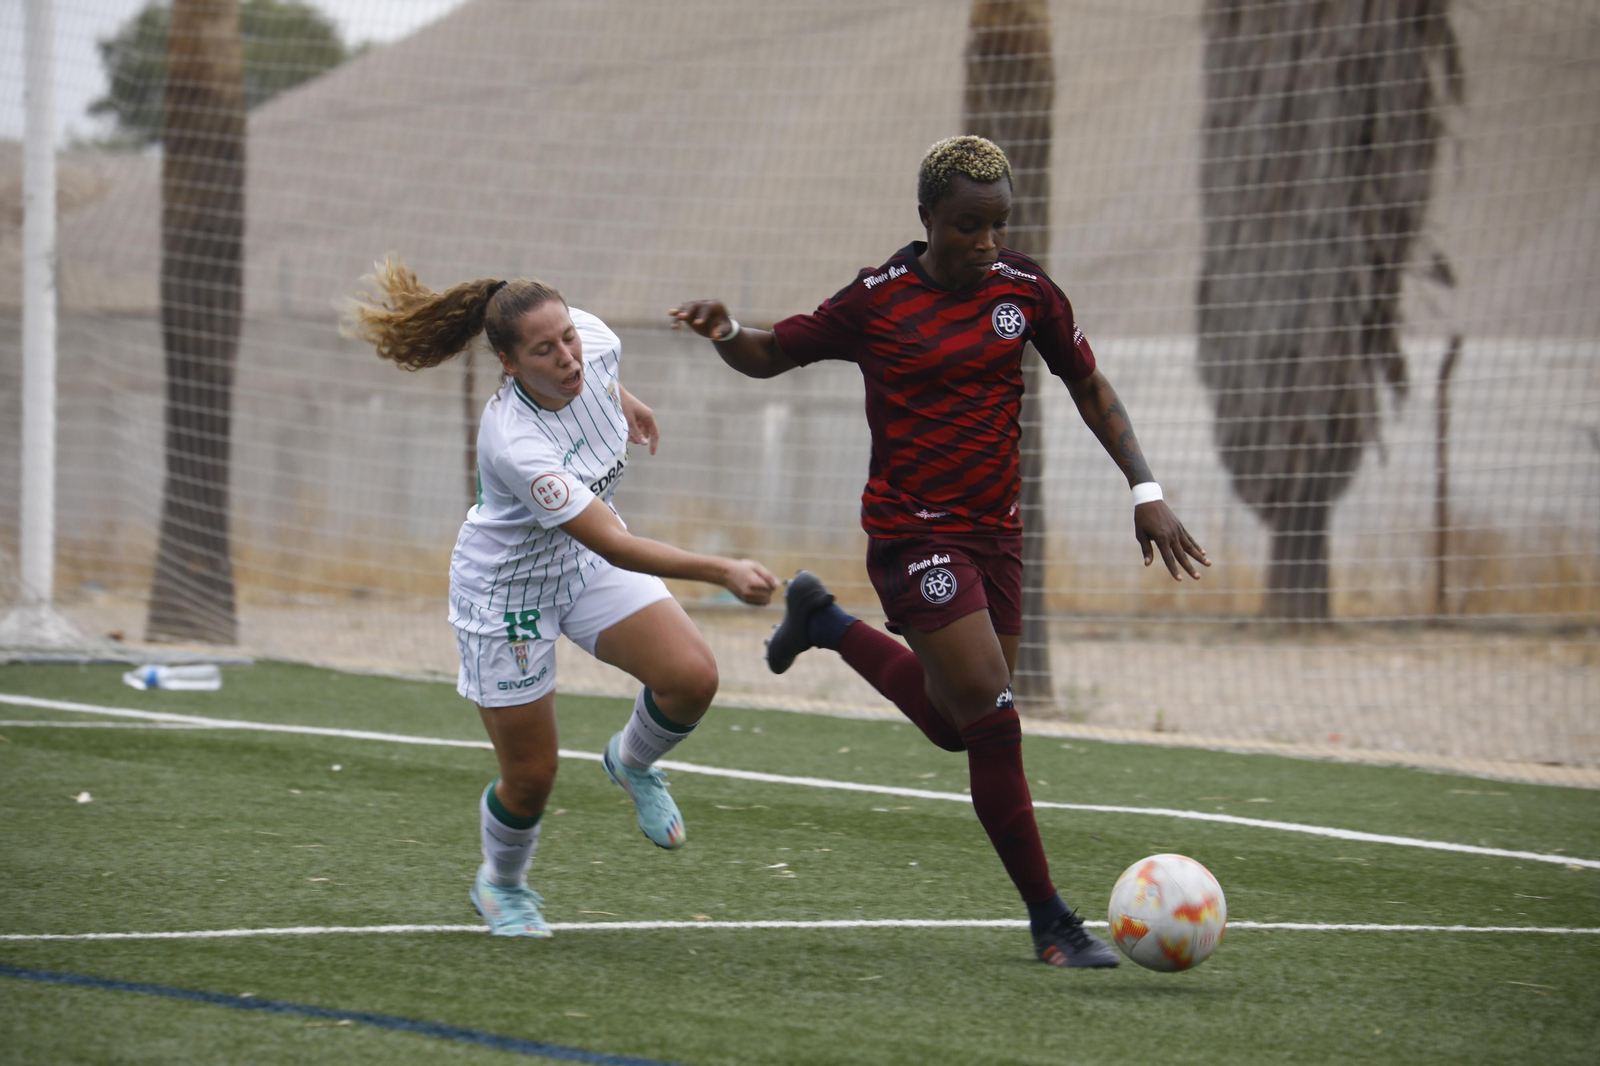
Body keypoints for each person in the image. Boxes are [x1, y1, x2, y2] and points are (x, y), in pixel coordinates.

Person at [671, 136, 1208, 969]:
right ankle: (1052, 923)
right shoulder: (877, 299)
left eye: (997, 225)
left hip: (997, 535)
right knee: (994, 714)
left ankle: (824, 621)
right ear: (927, 220)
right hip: (913, 531)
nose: (985, 243)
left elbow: (1088, 383)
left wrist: (1146, 491)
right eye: (967, 226)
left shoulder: (1025, 291)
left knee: (963, 729)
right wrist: (727, 330)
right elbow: (774, 354)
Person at [349, 258, 778, 937]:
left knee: (692, 678)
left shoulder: (597, 341)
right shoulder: (516, 443)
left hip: (578, 564)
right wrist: (722, 570)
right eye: (544, 350)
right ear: (509, 363)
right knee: (532, 775)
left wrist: (625, 400)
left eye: (568, 338)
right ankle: (502, 885)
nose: (568, 356)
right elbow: (614, 543)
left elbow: (599, 374)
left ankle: (632, 762)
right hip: (509, 592)